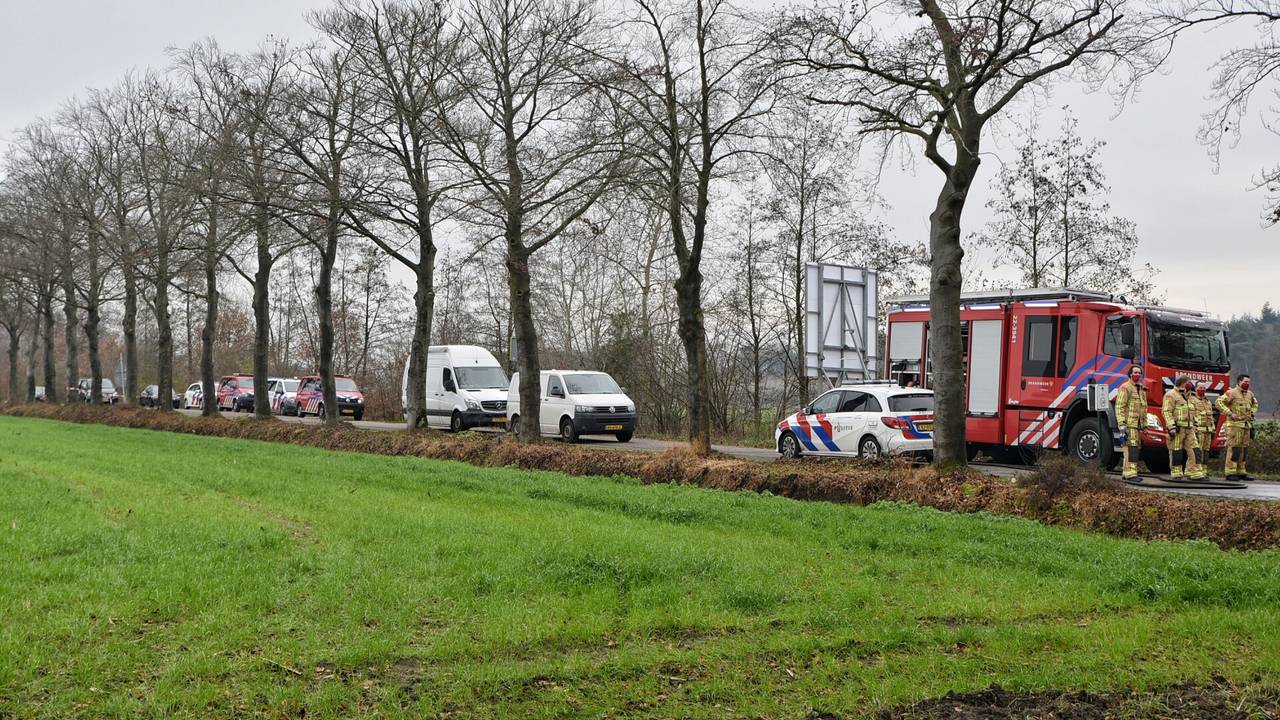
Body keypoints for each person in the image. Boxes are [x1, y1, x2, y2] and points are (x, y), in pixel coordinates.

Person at [1217, 373, 1259, 481]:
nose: (1247, 384)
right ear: (1239, 382)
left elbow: (1255, 404)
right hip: (1234, 426)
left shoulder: (1250, 394)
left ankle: (1241, 472)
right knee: (1234, 448)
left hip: (1246, 425)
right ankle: (1230, 472)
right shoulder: (1231, 392)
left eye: (1248, 382)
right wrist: (1230, 413)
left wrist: (1252, 412)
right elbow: (1219, 402)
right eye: (1245, 382)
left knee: (1244, 449)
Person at [1162, 375, 1204, 480]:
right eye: (1188, 382)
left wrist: (1196, 426)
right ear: (1182, 383)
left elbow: (1194, 413)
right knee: (1176, 451)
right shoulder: (1171, 395)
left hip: (1190, 429)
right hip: (1177, 429)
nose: (1190, 384)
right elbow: (1166, 411)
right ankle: (1176, 473)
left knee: (1195, 449)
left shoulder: (1191, 396)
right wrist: (1171, 426)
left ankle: (1195, 472)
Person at [1114, 364, 1147, 480]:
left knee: (1133, 448)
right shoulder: (1125, 387)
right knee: (1131, 449)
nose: (1137, 374)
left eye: (1139, 373)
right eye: (1135, 372)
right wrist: (1122, 424)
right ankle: (1131, 474)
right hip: (1128, 425)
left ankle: (1126, 472)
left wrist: (1144, 426)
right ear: (1130, 374)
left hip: (1137, 426)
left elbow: (1144, 409)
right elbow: (1119, 406)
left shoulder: (1141, 389)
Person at [1190, 381, 1217, 478]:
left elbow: (1211, 417)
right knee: (1198, 451)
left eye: (1204, 388)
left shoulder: (1208, 401)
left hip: (1208, 431)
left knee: (1206, 451)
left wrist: (1213, 429)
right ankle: (1195, 470)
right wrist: (1193, 429)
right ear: (1196, 388)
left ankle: (1204, 471)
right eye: (1200, 388)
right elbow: (1191, 415)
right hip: (1198, 430)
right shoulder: (1192, 400)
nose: (1202, 390)